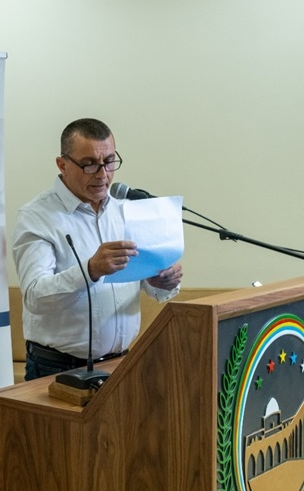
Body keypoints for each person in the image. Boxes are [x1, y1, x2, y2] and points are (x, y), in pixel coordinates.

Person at [12, 118, 183, 381]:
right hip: (58, 368)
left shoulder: (125, 210)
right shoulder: (37, 217)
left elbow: (147, 284)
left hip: (122, 362)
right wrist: (90, 270)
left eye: (109, 161)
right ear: (62, 164)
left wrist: (161, 281)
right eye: (90, 163)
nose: (103, 174)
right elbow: (35, 297)